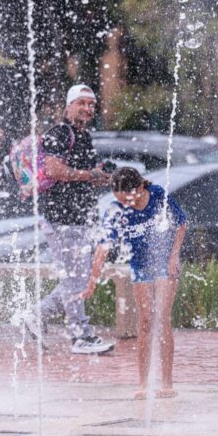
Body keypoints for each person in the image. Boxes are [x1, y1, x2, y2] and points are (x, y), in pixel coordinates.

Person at [18, 84, 115, 354]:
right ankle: (80, 336)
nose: (87, 108)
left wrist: (98, 175)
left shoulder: (83, 136)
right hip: (61, 217)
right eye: (81, 103)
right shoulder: (60, 133)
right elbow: (54, 169)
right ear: (69, 106)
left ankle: (36, 316)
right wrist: (89, 175)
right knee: (76, 279)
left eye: (91, 104)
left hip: (78, 217)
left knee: (78, 279)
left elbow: (80, 173)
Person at [81, 167, 187, 398]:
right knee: (146, 321)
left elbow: (181, 223)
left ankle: (167, 382)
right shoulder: (116, 210)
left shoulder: (158, 194)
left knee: (162, 318)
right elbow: (103, 248)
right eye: (120, 200)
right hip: (139, 264)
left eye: (129, 198)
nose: (125, 205)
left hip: (164, 261)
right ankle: (143, 383)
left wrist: (174, 256)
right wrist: (92, 282)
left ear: (140, 188)